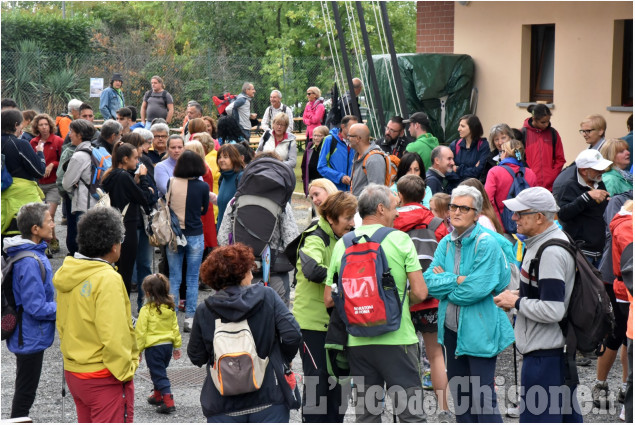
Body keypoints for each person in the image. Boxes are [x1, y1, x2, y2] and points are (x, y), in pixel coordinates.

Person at [325, 184, 428, 422]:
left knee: (367, 416)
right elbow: (421, 292)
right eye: (394, 207)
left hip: (358, 340)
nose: (397, 213)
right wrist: (399, 303)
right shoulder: (401, 240)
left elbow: (329, 298)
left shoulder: (343, 244)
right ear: (381, 209)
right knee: (411, 415)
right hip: (398, 339)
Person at [424, 185, 514, 422]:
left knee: (483, 400)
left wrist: (448, 286)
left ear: (476, 214)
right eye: (453, 206)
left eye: (464, 208)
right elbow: (429, 283)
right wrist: (459, 280)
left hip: (480, 330)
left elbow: (475, 290)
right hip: (451, 331)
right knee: (462, 400)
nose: (456, 212)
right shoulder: (445, 243)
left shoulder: (485, 243)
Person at [493, 187, 583, 422]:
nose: (513, 218)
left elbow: (553, 309)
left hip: (546, 357)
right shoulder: (544, 241)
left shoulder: (550, 251)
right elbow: (546, 292)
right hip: (549, 354)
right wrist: (517, 296)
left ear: (539, 217)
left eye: (519, 213)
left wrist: (517, 301)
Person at [187, 244, 302, 422]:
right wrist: (280, 359)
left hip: (223, 404)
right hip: (269, 398)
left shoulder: (205, 309)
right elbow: (292, 334)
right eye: (250, 270)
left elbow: (196, 356)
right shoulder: (267, 296)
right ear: (243, 273)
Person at [53, 207, 138, 423]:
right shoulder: (107, 278)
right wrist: (127, 369)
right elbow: (114, 334)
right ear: (114, 246)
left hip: (75, 371)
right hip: (103, 376)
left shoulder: (69, 272)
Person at [293, 191, 357, 423]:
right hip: (312, 325)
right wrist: (343, 278)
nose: (352, 223)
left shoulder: (345, 238)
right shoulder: (315, 236)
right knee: (317, 384)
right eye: (348, 218)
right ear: (331, 218)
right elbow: (311, 269)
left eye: (354, 217)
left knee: (339, 385)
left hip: (338, 323)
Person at [392, 175, 451, 420]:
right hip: (432, 298)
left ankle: (409, 409)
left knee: (405, 357)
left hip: (402, 297)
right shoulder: (437, 222)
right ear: (424, 194)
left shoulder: (392, 222)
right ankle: (444, 408)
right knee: (436, 354)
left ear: (400, 196)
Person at [3, 203, 56, 419]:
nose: (53, 223)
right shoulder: (29, 262)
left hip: (28, 334)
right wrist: (64, 308)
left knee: (25, 389)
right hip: (29, 335)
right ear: (35, 229)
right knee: (25, 393)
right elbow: (36, 307)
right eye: (49, 220)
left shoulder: (29, 254)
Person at [166, 150, 209, 333]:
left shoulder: (171, 182)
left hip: (175, 234)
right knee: (192, 278)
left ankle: (171, 318)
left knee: (174, 278)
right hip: (195, 233)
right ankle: (190, 318)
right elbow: (204, 210)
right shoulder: (203, 187)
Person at [101, 142, 153, 295]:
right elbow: (145, 198)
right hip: (127, 226)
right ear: (125, 159)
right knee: (126, 272)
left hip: (114, 224)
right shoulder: (124, 176)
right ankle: (123, 311)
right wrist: (143, 180)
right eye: (135, 158)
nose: (138, 162)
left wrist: (135, 181)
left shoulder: (111, 174)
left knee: (118, 268)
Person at [553, 149, 612, 267]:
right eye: (597, 169)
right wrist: (586, 197)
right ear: (584, 171)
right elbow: (563, 214)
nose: (603, 171)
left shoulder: (598, 182)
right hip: (581, 251)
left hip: (601, 250)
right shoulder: (569, 186)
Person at [135, 273, 182, 414]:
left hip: (153, 348)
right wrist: (177, 346)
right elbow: (175, 328)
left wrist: (138, 350)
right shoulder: (170, 307)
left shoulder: (146, 310)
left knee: (159, 374)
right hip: (167, 347)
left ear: (148, 293)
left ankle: (168, 401)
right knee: (159, 371)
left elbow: (141, 332)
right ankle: (157, 395)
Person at [1, 110, 46, 239]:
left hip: (3, 201)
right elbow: (39, 171)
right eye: (21, 124)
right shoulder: (20, 144)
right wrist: (40, 153)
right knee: (24, 240)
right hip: (21, 202)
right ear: (16, 125)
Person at [57, 119, 95, 256]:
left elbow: (66, 183)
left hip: (83, 203)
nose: (69, 135)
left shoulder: (78, 155)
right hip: (96, 201)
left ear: (79, 135)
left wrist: (73, 187)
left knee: (83, 243)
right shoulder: (95, 150)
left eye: (71, 132)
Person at [29, 113, 64, 254]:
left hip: (53, 184)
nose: (44, 127)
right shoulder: (33, 143)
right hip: (38, 184)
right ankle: (52, 239)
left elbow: (63, 161)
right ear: (36, 127)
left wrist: (52, 165)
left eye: (46, 124)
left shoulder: (58, 141)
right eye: (41, 125)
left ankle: (48, 242)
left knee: (49, 213)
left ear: (50, 126)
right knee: (41, 214)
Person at [485, 139, 538, 226]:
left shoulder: (494, 172)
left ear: (505, 153)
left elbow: (487, 200)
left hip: (501, 225)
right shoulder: (530, 173)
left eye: (501, 152)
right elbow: (535, 200)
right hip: (526, 225)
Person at [521, 104, 566, 191]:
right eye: (543, 122)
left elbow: (560, 159)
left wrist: (552, 175)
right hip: (528, 186)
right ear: (534, 119)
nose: (546, 124)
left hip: (549, 187)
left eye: (548, 121)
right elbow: (518, 156)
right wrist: (526, 174)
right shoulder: (522, 133)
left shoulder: (553, 133)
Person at [184, 140, 218, 253]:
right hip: (205, 203)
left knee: (203, 235)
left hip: (202, 204)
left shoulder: (201, 168)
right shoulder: (203, 165)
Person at [317, 115, 359, 191]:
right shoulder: (330, 140)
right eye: (352, 127)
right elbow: (321, 167)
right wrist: (340, 177)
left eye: (356, 127)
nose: (355, 130)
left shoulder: (357, 142)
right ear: (343, 127)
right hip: (334, 190)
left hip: (353, 191)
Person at [448, 114, 491, 184]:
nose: (458, 129)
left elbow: (478, 172)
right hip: (453, 189)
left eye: (462, 126)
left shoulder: (483, 145)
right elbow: (447, 170)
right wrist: (472, 170)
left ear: (472, 128)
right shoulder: (455, 144)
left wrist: (457, 169)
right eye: (459, 125)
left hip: (472, 189)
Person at [215, 144, 244, 231]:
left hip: (235, 233)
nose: (221, 160)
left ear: (234, 158)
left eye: (225, 157)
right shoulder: (223, 178)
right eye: (219, 157)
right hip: (222, 232)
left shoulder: (241, 177)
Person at [301, 125, 329, 195]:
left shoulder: (328, 149)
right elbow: (304, 166)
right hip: (312, 184)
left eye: (319, 136)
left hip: (325, 185)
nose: (316, 138)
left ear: (326, 137)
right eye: (314, 135)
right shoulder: (309, 148)